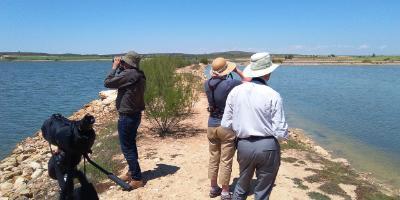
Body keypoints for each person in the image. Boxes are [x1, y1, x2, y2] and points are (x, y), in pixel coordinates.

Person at [221, 52, 289, 200]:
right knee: (262, 192)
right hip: (268, 146)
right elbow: (281, 131)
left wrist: (242, 128)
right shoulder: (273, 94)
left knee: (241, 185)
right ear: (268, 72)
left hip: (244, 145)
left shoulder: (236, 91)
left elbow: (226, 124)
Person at [205, 57, 250, 200]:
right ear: (226, 70)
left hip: (211, 125)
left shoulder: (206, 84)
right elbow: (248, 81)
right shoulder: (229, 83)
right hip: (226, 126)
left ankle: (213, 188)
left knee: (213, 157)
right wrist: (236, 70)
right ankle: (225, 191)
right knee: (226, 159)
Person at [104, 51, 146, 189]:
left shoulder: (129, 74)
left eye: (124, 61)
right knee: (131, 145)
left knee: (126, 147)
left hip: (127, 116)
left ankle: (137, 178)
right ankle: (131, 171)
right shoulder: (139, 74)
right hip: (135, 115)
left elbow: (108, 82)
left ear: (128, 62)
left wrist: (114, 67)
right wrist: (122, 67)